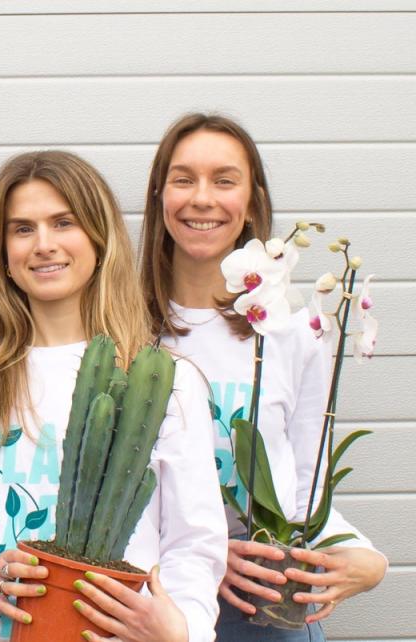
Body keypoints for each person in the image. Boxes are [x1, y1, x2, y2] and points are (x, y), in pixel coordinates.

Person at [0, 150, 228, 642]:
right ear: (3, 253)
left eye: (63, 222)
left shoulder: (166, 383)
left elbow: (194, 546)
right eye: (22, 228)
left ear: (99, 239)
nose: (44, 245)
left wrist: (178, 630)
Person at [138, 112, 387, 640]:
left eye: (224, 180)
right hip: (158, 609)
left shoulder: (293, 333)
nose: (202, 198)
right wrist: (203, 553)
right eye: (184, 179)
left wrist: (365, 560)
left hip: (266, 610)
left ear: (251, 202)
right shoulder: (125, 330)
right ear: (160, 196)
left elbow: (303, 491)